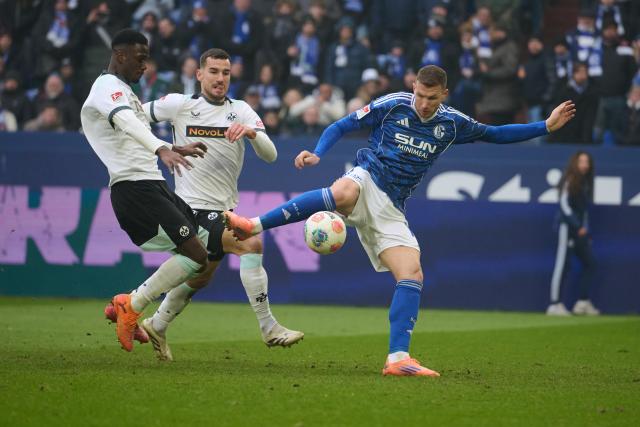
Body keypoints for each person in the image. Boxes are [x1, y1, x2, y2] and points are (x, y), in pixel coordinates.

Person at [224, 64, 576, 377]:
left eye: (432, 97)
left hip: (392, 207)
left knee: (412, 273)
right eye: (420, 95)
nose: (424, 103)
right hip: (367, 178)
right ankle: (252, 225)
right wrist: (318, 153)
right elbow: (343, 124)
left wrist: (545, 125)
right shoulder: (392, 104)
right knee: (344, 192)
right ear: (413, 88)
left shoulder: (452, 123)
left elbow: (496, 134)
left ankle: (397, 358)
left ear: (444, 95)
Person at [106, 48, 304, 361]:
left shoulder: (241, 111)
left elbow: (271, 155)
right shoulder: (179, 105)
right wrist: (158, 147)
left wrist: (253, 134)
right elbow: (130, 116)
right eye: (213, 72)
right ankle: (268, 327)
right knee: (250, 241)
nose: (220, 79)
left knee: (200, 276)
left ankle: (155, 322)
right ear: (199, 75)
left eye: (225, 73)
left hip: (222, 209)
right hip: (188, 208)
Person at [80, 29, 209, 352]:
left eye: (147, 59)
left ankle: (127, 306)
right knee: (197, 254)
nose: (145, 66)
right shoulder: (105, 87)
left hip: (151, 184)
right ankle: (132, 306)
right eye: (140, 58)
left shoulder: (123, 89)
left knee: (205, 241)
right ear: (120, 55)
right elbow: (127, 124)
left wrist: (172, 146)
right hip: (133, 188)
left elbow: (133, 130)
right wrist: (161, 150)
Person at [547, 151, 599, 316]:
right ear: (574, 163)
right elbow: (564, 205)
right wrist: (577, 226)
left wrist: (585, 229)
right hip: (566, 228)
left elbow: (584, 211)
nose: (584, 164)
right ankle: (555, 304)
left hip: (580, 231)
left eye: (586, 161)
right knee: (562, 265)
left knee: (590, 263)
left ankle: (582, 302)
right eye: (581, 161)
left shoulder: (586, 183)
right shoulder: (569, 180)